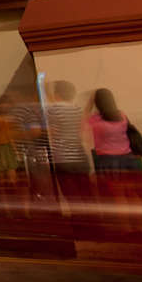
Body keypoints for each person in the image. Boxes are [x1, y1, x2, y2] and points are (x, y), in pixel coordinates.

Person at [88, 88, 142, 230]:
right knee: (133, 195)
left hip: (109, 161)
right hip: (129, 159)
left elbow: (81, 123)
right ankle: (140, 226)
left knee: (119, 197)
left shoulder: (95, 120)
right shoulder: (122, 115)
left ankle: (126, 228)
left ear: (97, 103)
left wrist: (89, 103)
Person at [46, 80, 91, 214]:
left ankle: (79, 226)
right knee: (86, 194)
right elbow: (83, 132)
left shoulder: (52, 110)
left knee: (71, 197)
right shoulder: (78, 109)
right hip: (80, 155)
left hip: (63, 158)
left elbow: (51, 132)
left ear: (57, 94)